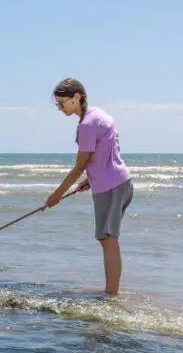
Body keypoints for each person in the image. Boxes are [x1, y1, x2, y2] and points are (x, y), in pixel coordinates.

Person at [45, 78, 133, 296]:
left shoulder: (87, 124)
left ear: (76, 97)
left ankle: (111, 296)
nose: (60, 108)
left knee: (108, 238)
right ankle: (111, 293)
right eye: (57, 104)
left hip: (110, 186)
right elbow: (104, 154)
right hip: (119, 182)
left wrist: (57, 195)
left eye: (62, 103)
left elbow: (79, 166)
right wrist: (91, 179)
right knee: (108, 238)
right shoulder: (98, 115)